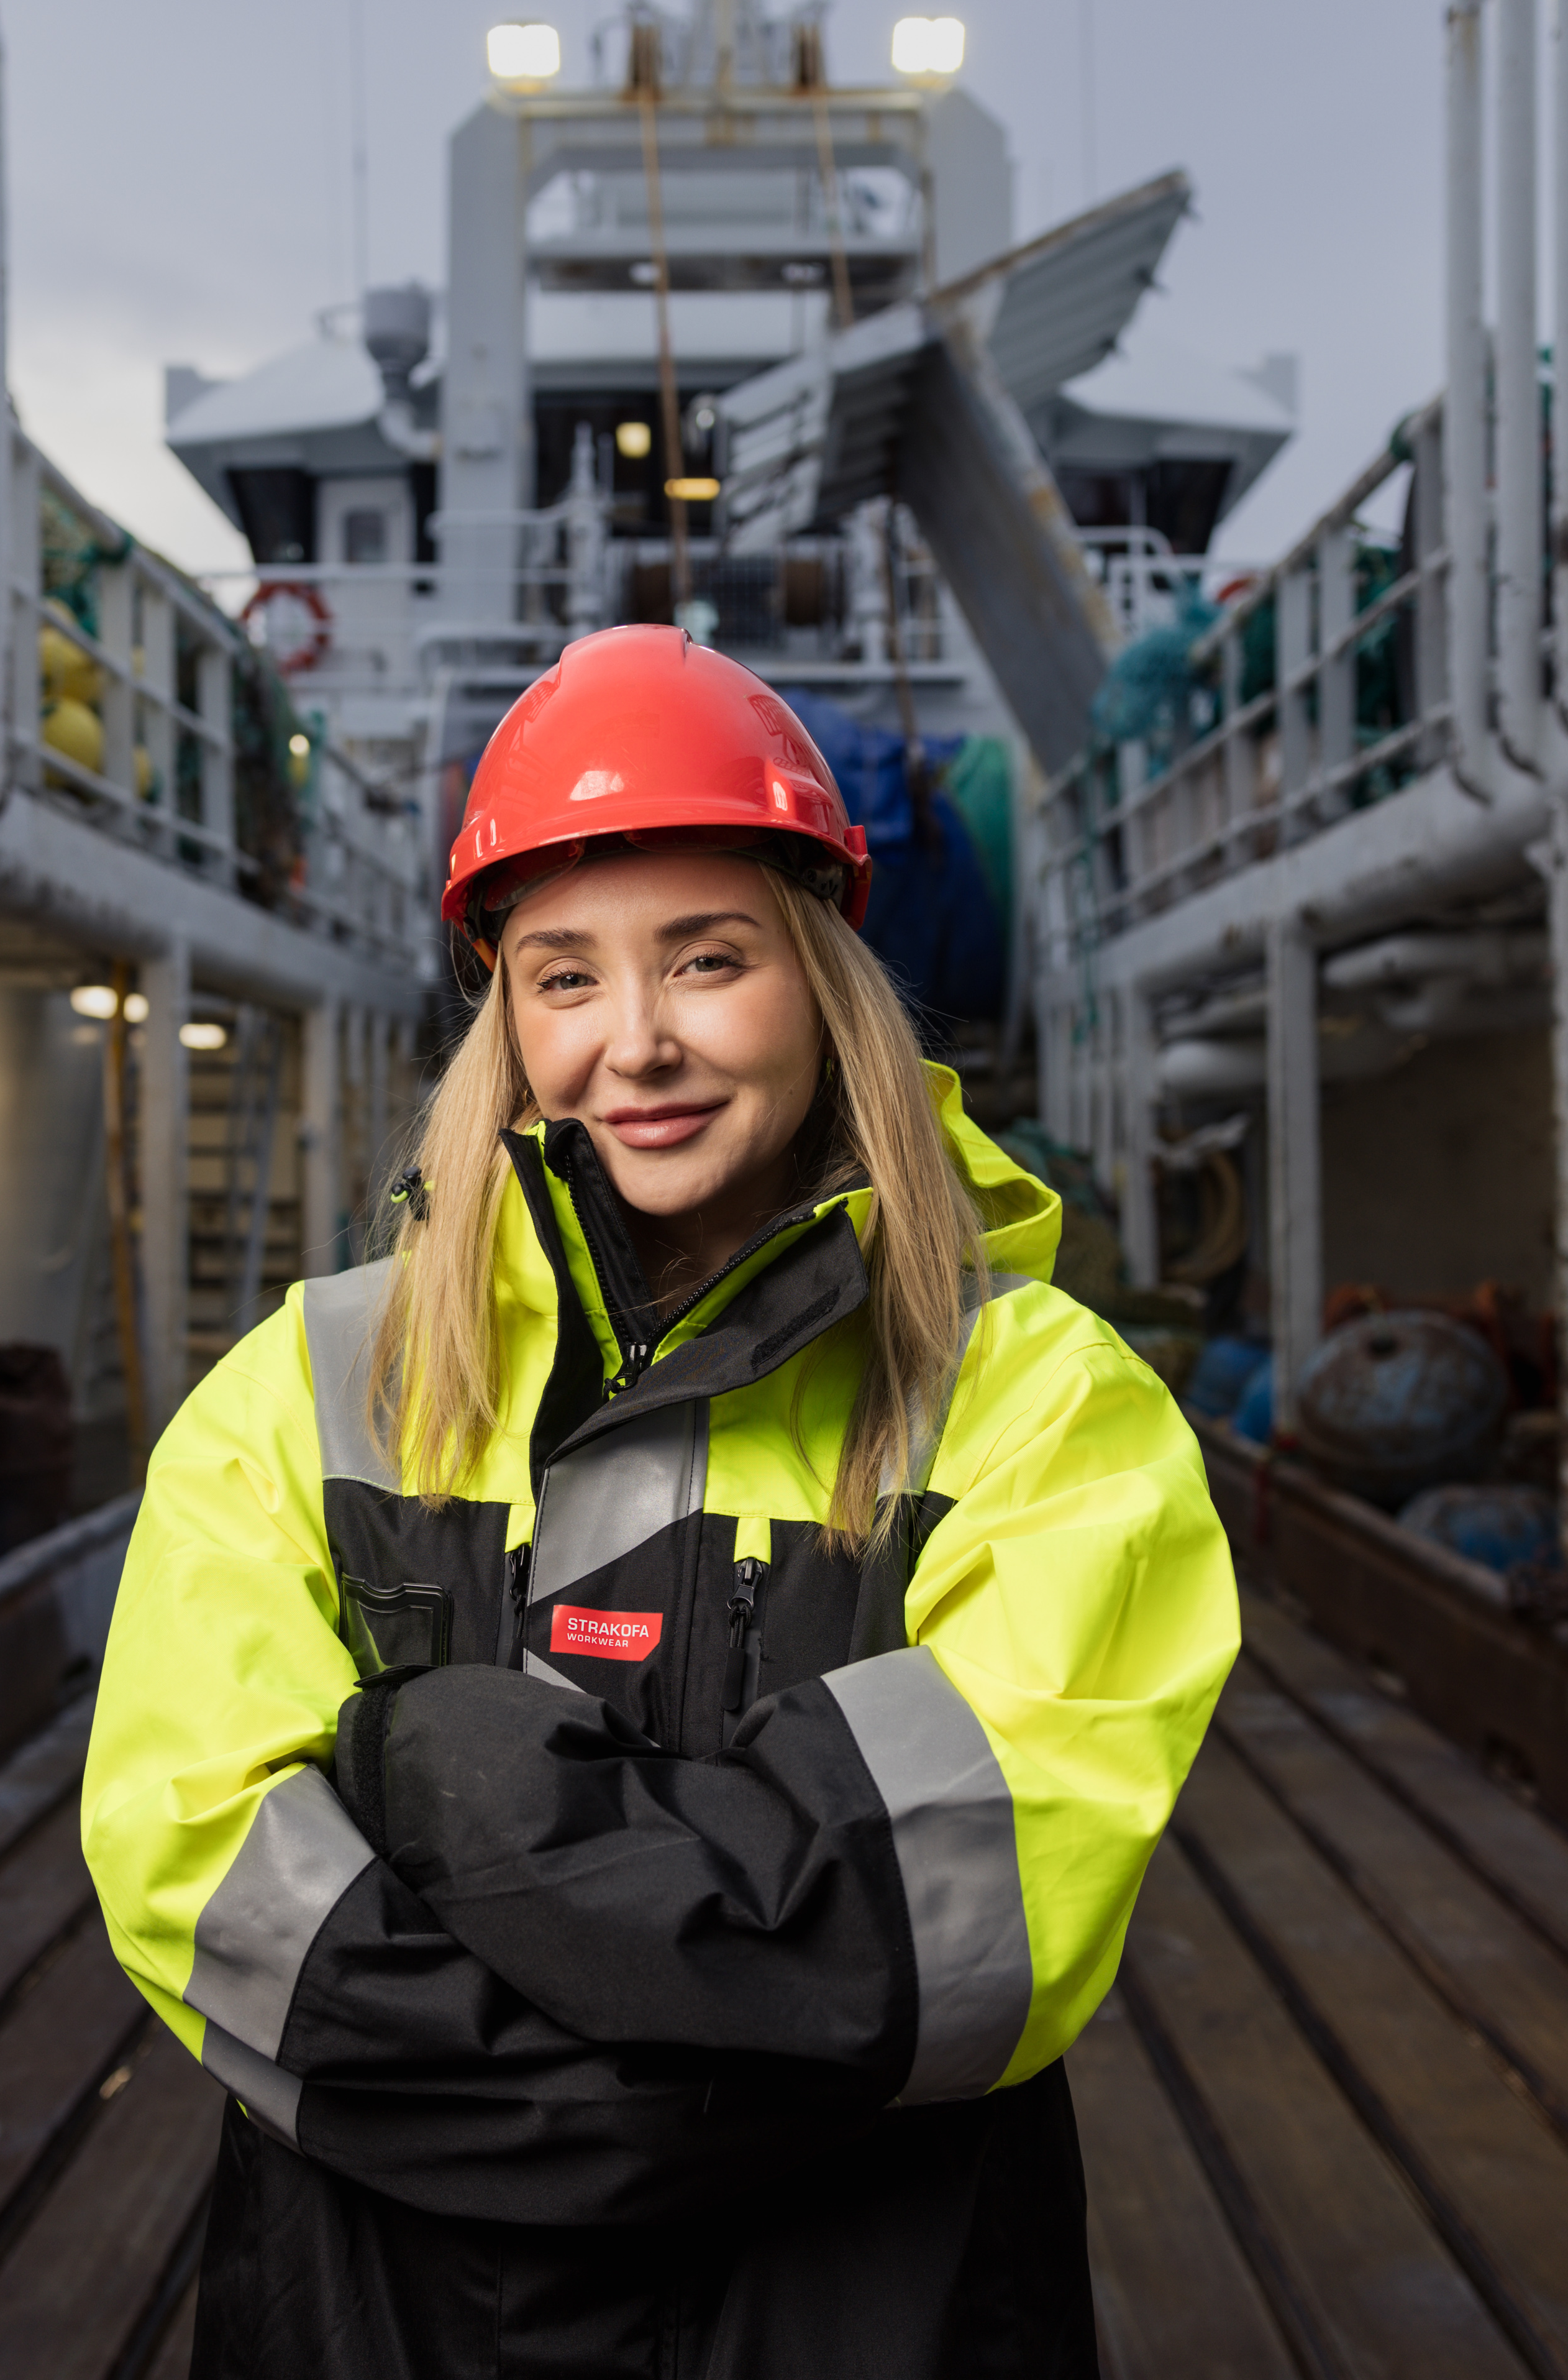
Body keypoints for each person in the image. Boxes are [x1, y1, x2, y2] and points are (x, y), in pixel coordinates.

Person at [81, 625, 1237, 2378]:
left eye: (708, 960)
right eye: (564, 978)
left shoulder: (1044, 1404)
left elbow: (953, 1932)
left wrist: (442, 1768)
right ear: (503, 1013)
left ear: (823, 975)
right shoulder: (309, 1391)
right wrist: (730, 2051)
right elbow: (207, 1890)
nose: (636, 1045)